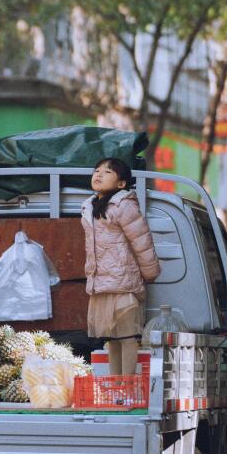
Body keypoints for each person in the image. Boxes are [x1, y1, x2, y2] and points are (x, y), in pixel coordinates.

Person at [81, 158, 160, 375]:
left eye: (107, 172)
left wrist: (150, 273)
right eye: (96, 170)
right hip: (102, 283)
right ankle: (116, 388)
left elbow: (142, 242)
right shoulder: (89, 206)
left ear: (121, 184)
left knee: (127, 338)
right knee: (112, 340)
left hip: (124, 283)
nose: (98, 174)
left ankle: (127, 386)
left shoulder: (125, 205)